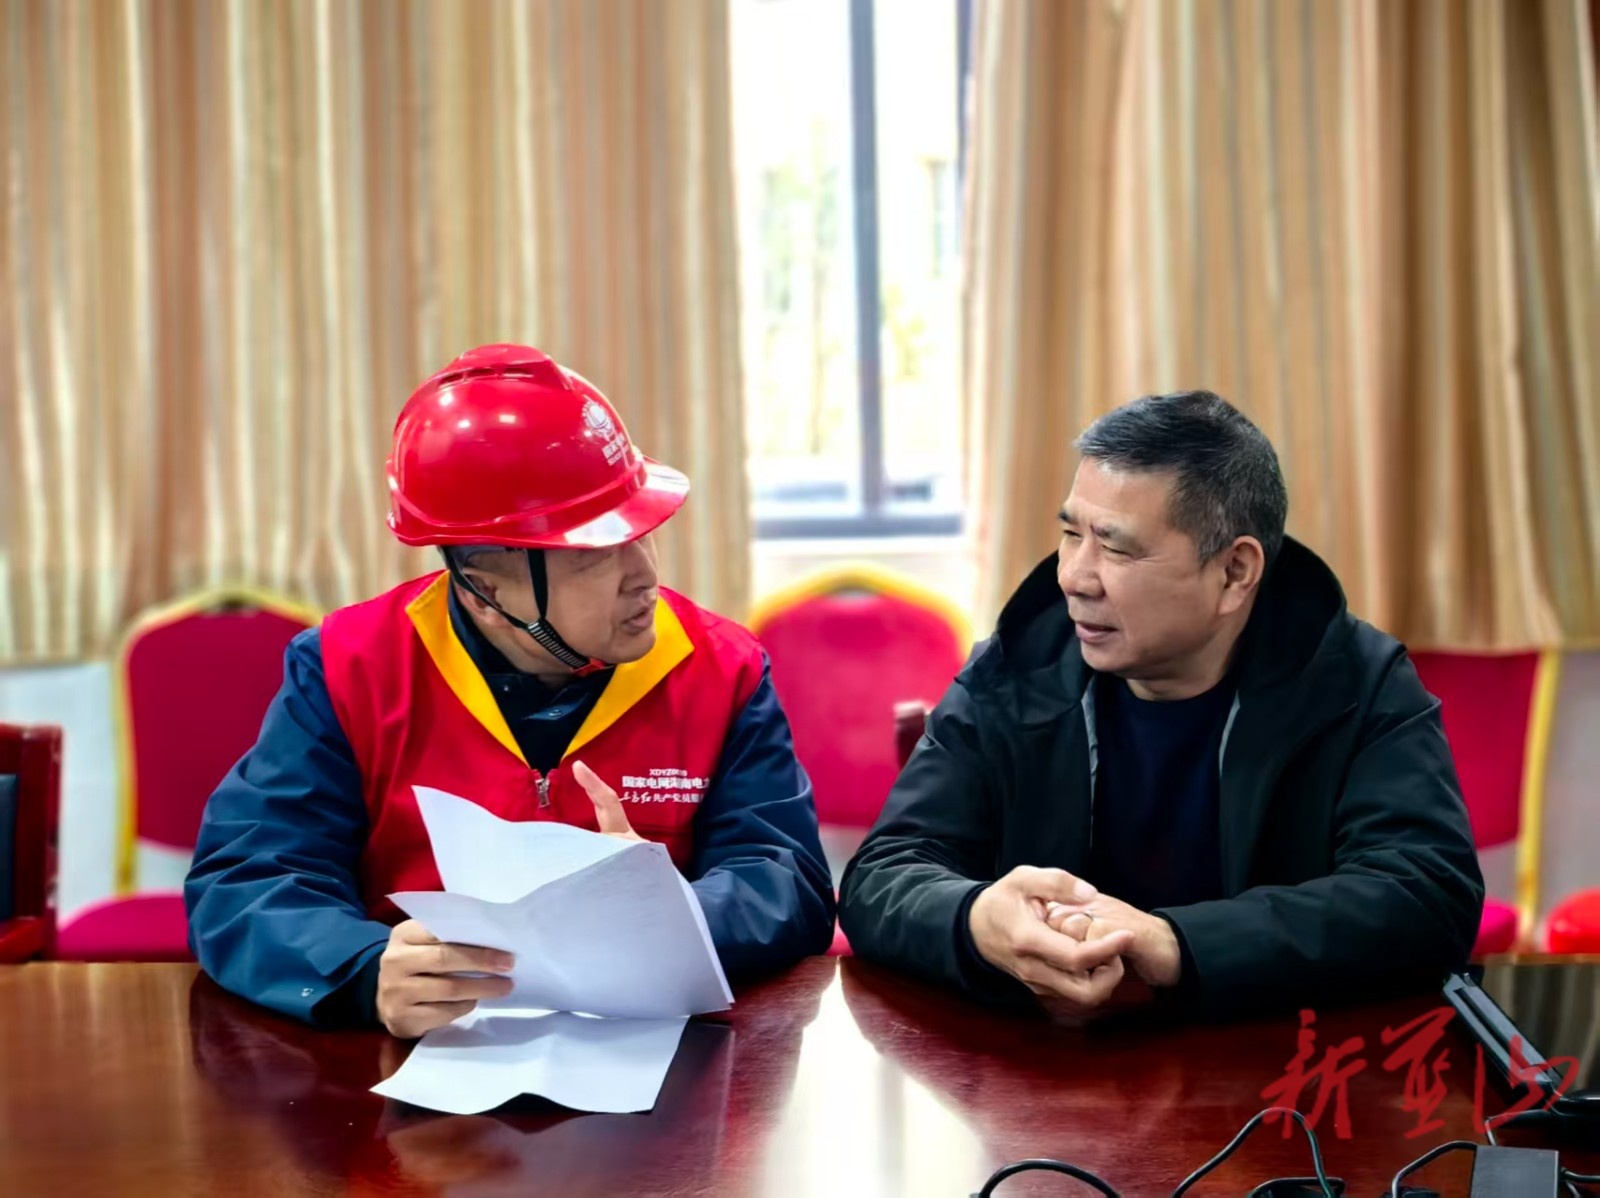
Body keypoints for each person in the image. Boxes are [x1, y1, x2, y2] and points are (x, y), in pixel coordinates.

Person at [187, 344, 835, 1036]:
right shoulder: (350, 668)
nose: (645, 575)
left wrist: (676, 915)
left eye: (642, 533)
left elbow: (785, 876)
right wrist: (363, 969)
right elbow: (247, 880)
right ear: (485, 592)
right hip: (421, 1060)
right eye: (595, 555)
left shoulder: (722, 669)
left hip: (663, 1054)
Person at [838, 390, 1484, 1022]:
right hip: (1047, 1061)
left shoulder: (1357, 682)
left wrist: (1175, 944)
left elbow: (1426, 895)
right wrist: (976, 919)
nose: (1074, 577)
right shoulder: (1015, 668)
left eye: (1116, 547)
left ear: (1234, 572)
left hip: (1278, 1061)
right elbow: (883, 875)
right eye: (1071, 533)